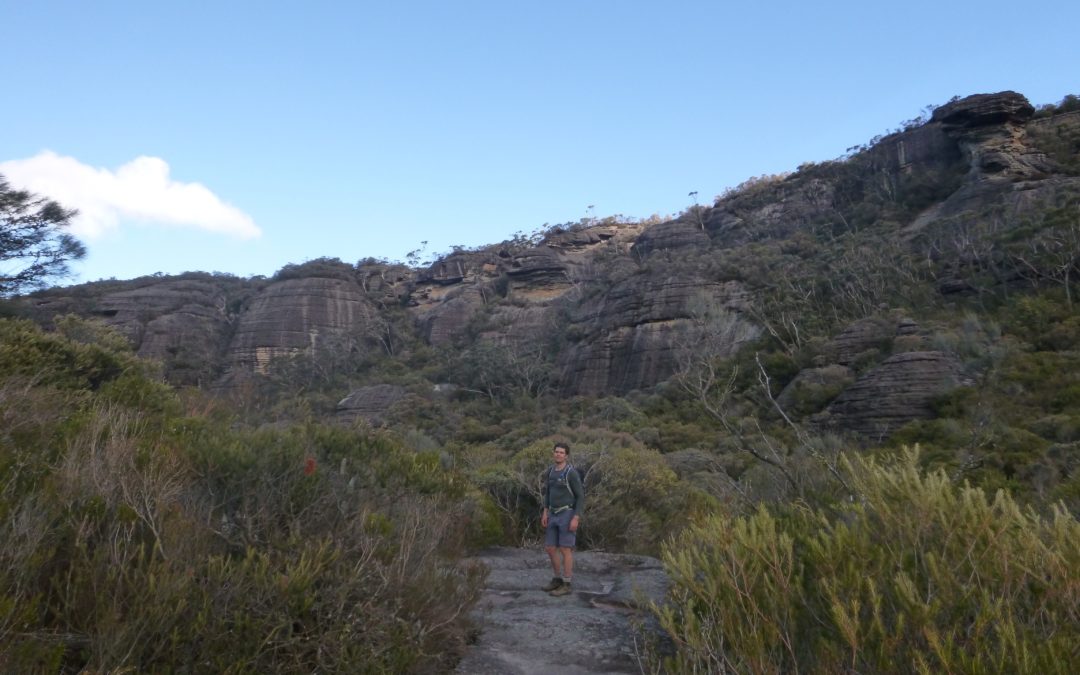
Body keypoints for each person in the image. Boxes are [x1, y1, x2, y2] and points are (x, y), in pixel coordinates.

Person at [540, 441, 584, 596]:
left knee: (565, 548)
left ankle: (567, 583)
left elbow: (580, 496)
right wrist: (545, 512)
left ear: (566, 455)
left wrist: (576, 517)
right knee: (550, 548)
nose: (558, 454)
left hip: (567, 513)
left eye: (561, 452)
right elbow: (548, 493)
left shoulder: (570, 473)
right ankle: (557, 579)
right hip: (552, 513)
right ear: (553, 453)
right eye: (556, 452)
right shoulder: (551, 471)